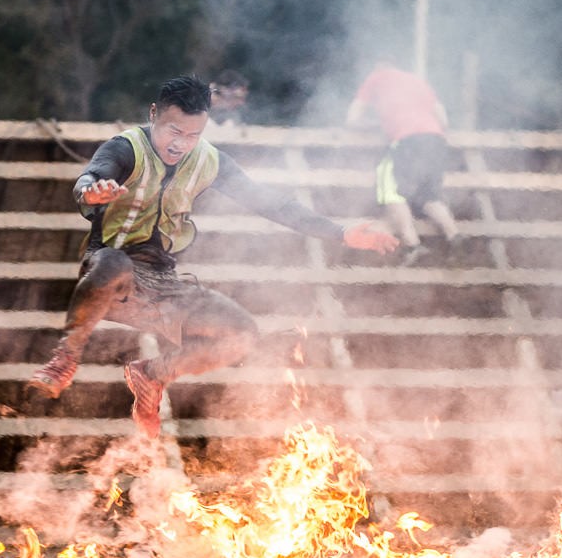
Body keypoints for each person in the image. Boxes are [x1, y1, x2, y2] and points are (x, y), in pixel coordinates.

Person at [27, 76, 398, 437]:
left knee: (241, 334)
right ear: (154, 114)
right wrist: (91, 192)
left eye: (193, 135)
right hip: (110, 277)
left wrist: (343, 232)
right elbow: (90, 176)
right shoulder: (127, 148)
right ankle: (65, 358)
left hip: (162, 282)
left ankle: (152, 374)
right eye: (174, 131)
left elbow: (272, 203)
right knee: (112, 262)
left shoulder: (209, 160)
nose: (181, 144)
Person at [346, 61, 456, 265]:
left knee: (390, 190)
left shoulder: (377, 77)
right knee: (428, 196)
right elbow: (443, 119)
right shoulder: (416, 81)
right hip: (435, 140)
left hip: (407, 140)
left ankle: (412, 245)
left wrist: (374, 125)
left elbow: (352, 119)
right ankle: (454, 236)